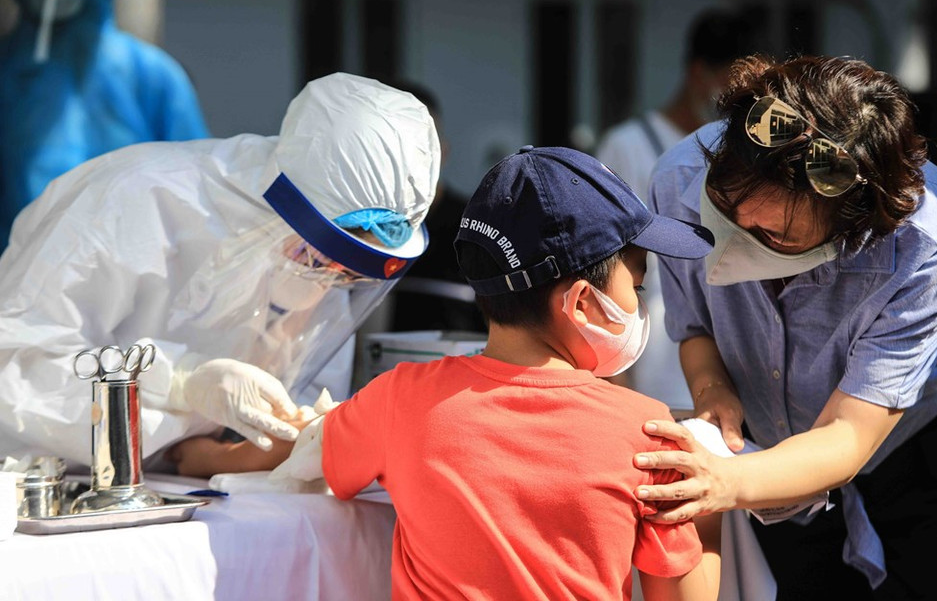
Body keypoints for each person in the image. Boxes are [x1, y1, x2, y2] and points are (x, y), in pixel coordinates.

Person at [258, 146, 721, 599]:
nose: (639, 301)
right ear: (582, 302)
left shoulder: (399, 397)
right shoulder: (650, 435)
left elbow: (296, 451)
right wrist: (710, 494)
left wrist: (212, 443)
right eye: (637, 286)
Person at [632, 55, 937, 600]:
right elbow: (695, 326)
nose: (734, 243)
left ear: (852, 228)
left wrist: (725, 481)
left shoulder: (925, 249)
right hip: (766, 456)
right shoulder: (679, 179)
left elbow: (849, 434)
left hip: (912, 452)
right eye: (726, 210)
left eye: (776, 237)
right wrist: (712, 390)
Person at [0, 72, 441, 469]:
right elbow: (18, 364)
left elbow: (297, 417)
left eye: (349, 277)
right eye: (319, 260)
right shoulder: (130, 201)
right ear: (287, 206)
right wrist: (181, 381)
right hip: (42, 482)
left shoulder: (324, 264)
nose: (329, 282)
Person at [595, 8, 753, 406]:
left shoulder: (746, 152)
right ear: (699, 73)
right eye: (730, 84)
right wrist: (617, 389)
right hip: (657, 367)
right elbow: (603, 270)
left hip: (739, 371)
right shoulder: (628, 146)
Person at [0, 0, 209, 250]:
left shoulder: (151, 75)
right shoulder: (7, 72)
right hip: (17, 268)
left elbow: (196, 194)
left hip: (128, 270)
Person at [381, 80, 486, 334]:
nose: (405, 159)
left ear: (443, 152)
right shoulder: (346, 230)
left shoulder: (479, 231)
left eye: (419, 146)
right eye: (391, 145)